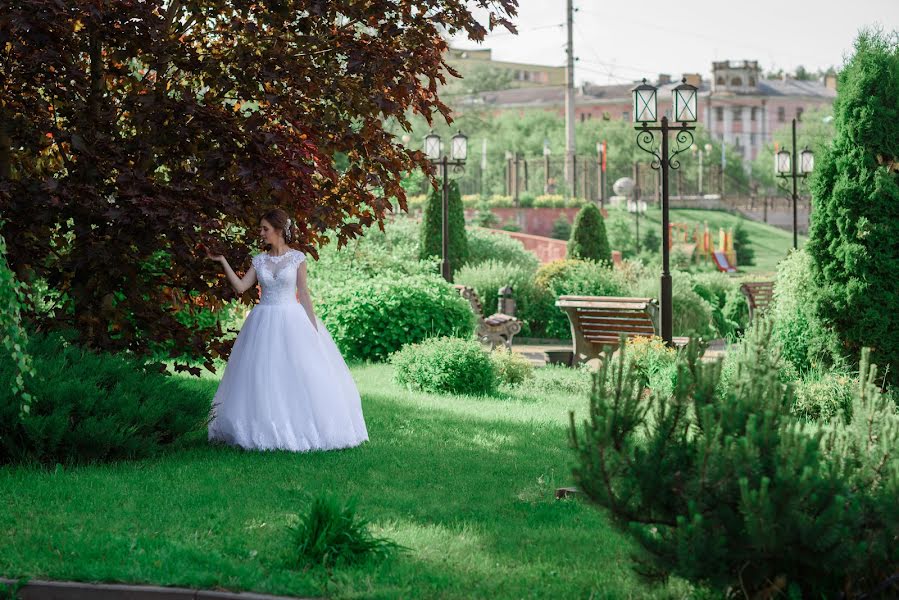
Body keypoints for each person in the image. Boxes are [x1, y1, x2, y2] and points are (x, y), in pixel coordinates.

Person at [205, 208, 368, 452]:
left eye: (265, 229)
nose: (261, 233)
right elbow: (240, 287)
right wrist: (222, 262)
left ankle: (300, 425)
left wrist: (313, 330)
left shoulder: (297, 258)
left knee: (297, 373)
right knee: (261, 376)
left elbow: (303, 293)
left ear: (279, 231)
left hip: (292, 319)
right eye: (261, 229)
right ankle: (263, 428)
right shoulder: (259, 260)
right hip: (262, 321)